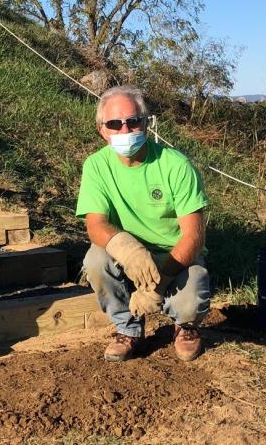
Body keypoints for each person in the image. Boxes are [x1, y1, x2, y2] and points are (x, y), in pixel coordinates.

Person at [76, 86, 211, 362]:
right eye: (115, 124)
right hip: (129, 257)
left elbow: (194, 236)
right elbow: (95, 224)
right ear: (102, 130)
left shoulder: (176, 165)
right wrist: (127, 249)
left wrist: (158, 283)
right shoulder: (96, 166)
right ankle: (128, 330)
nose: (125, 130)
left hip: (173, 255)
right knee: (96, 261)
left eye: (133, 121)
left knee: (193, 289)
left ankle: (185, 327)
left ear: (146, 123)